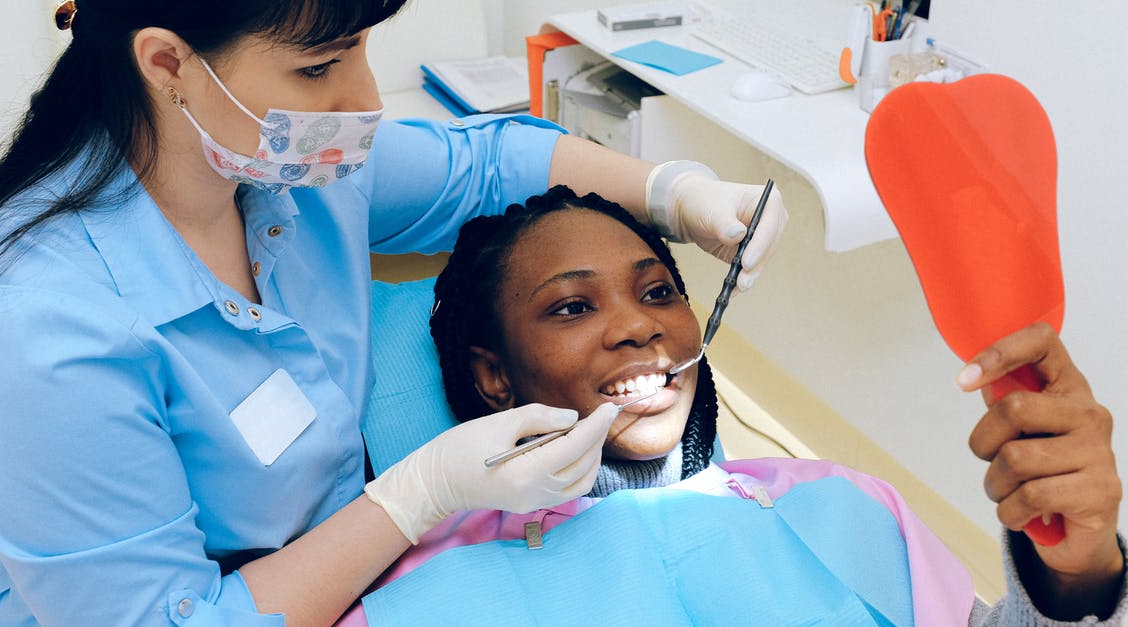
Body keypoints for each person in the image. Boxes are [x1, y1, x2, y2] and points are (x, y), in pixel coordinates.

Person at [0, 2, 790, 625]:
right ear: (167, 62)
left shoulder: (294, 170)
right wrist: (415, 498)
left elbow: (485, 168)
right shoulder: (38, 332)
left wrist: (676, 193)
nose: (362, 99)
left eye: (362, 50)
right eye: (317, 68)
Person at [334, 185, 1124, 624]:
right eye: (571, 307)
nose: (638, 322)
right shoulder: (424, 595)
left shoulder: (843, 506)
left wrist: (1075, 571)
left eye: (657, 291)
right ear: (494, 375)